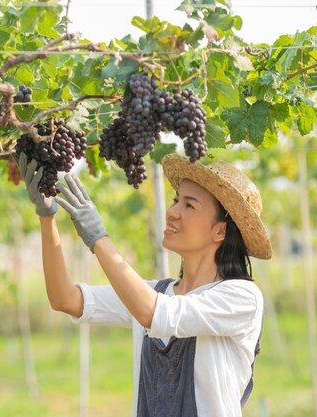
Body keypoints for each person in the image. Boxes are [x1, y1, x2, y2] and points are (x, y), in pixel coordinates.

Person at [17, 152, 272, 417]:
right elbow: (65, 299)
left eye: (189, 205)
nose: (172, 212)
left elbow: (153, 313)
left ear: (220, 231)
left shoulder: (241, 297)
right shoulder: (155, 294)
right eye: (175, 201)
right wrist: (47, 218)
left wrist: (98, 238)